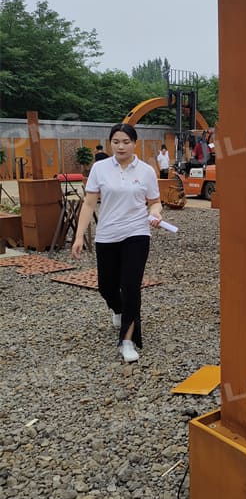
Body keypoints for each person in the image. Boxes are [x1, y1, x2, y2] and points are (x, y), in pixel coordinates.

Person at [72, 123, 163, 363]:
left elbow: (154, 202)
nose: (121, 146)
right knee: (106, 286)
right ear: (110, 143)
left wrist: (156, 213)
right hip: (107, 234)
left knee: (131, 286)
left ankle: (127, 340)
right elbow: (90, 204)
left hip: (137, 232)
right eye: (116, 142)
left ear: (135, 143)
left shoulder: (145, 171)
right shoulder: (100, 168)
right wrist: (80, 235)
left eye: (126, 142)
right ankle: (119, 309)